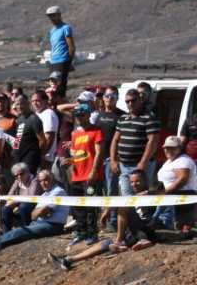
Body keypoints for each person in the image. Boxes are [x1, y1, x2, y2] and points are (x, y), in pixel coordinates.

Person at [0, 169, 69, 255]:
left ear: (52, 179)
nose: (43, 183)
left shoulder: (58, 191)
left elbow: (42, 211)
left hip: (53, 225)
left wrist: (39, 212)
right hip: (40, 222)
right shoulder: (44, 194)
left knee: (21, 231)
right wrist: (40, 212)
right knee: (18, 230)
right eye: (40, 181)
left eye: (46, 180)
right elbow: (34, 215)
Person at [62, 103, 104, 243]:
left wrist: (94, 171)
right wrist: (70, 161)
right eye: (77, 115)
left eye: (82, 115)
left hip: (91, 174)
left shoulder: (96, 130)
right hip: (77, 175)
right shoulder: (75, 134)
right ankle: (81, 231)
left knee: (91, 205)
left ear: (88, 115)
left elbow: (99, 153)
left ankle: (92, 233)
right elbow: (77, 154)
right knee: (78, 205)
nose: (79, 118)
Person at [110, 86, 161, 194]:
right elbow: (115, 140)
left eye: (133, 100)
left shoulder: (149, 118)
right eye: (127, 101)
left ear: (140, 100)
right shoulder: (122, 118)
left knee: (143, 196)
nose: (130, 104)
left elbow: (152, 142)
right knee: (126, 196)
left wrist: (143, 163)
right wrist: (113, 160)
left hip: (141, 166)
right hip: (124, 166)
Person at [155, 135, 197, 233]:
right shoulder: (170, 161)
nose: (168, 150)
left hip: (182, 196)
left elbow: (182, 179)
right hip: (171, 196)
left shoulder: (183, 161)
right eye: (166, 148)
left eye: (172, 148)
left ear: (179, 148)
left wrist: (165, 191)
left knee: (182, 227)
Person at [1, 162, 41, 232]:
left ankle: (28, 230)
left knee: (23, 207)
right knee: (5, 209)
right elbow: (9, 195)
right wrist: (10, 203)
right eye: (16, 175)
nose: (19, 177)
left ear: (27, 172)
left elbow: (31, 197)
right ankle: (6, 233)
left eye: (21, 174)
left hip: (34, 204)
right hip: (20, 204)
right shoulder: (17, 181)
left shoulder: (34, 181)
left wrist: (15, 201)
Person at [45, 5, 75, 95]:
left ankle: (61, 101)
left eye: (53, 15)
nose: (51, 18)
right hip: (53, 61)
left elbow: (71, 46)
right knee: (53, 86)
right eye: (50, 16)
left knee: (60, 86)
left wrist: (69, 61)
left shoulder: (66, 28)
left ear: (59, 15)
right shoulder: (52, 31)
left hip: (63, 60)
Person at [12, 96, 44, 177]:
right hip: (18, 159)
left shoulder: (34, 119)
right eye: (17, 104)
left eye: (22, 103)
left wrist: (36, 156)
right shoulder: (19, 118)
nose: (20, 106)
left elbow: (42, 140)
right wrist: (14, 153)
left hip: (29, 161)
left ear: (28, 104)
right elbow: (18, 138)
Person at [32, 90, 59, 164]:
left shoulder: (48, 114)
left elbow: (49, 137)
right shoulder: (37, 114)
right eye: (33, 101)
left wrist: (42, 155)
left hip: (44, 158)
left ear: (45, 101)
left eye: (37, 100)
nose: (34, 103)